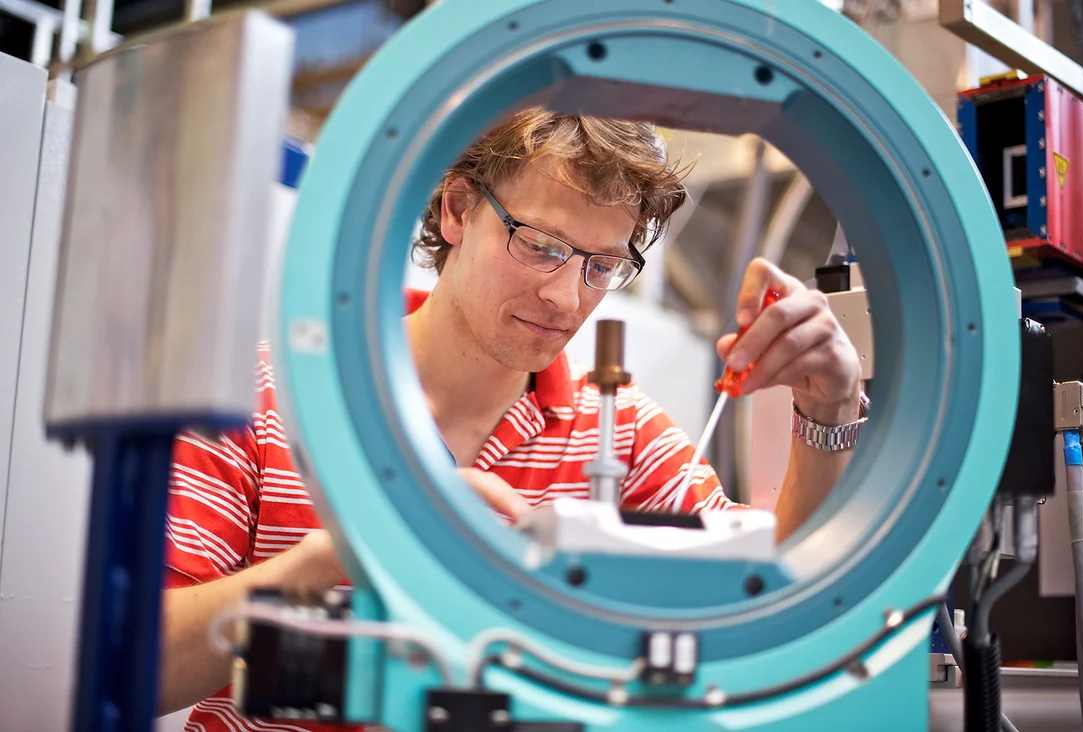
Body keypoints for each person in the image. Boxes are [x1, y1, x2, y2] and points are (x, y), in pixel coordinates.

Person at [159, 109, 863, 730]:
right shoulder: (269, 396)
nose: (565, 297)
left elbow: (778, 608)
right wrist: (339, 552)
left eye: (600, 265)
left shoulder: (625, 437)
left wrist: (825, 409)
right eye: (542, 245)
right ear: (457, 210)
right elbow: (143, 664)